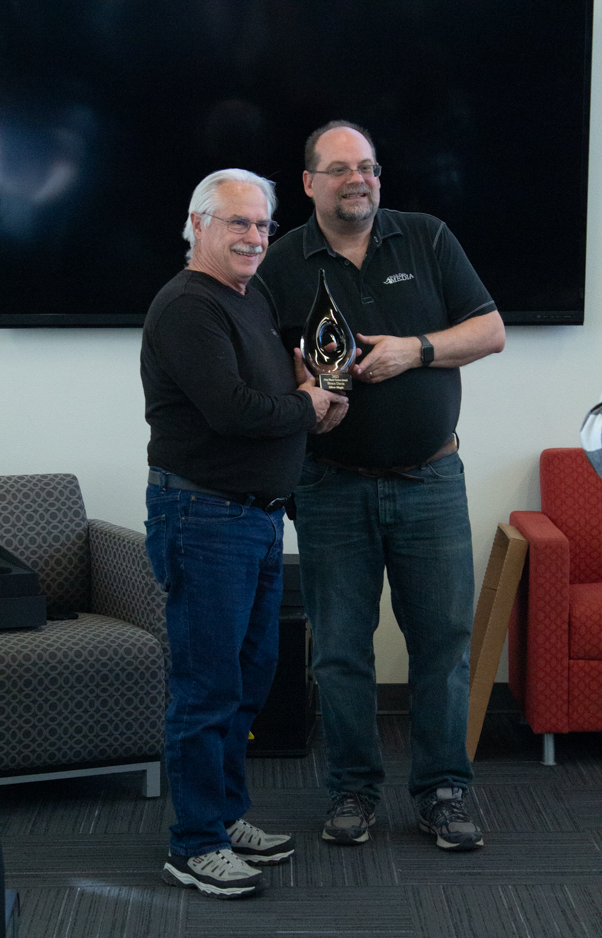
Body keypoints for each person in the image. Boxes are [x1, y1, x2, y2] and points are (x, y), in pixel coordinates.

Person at [254, 122, 506, 851]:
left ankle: (443, 791)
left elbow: (488, 331)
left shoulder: (426, 237)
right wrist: (301, 384)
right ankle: (352, 792)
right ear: (309, 183)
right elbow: (264, 363)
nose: (357, 179)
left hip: (432, 480)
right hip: (331, 486)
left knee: (442, 647)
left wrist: (414, 351)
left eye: (366, 167)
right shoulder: (280, 262)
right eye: (339, 169)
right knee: (339, 651)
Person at [141, 168, 348, 898]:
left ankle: (225, 816)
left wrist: (307, 392)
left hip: (253, 519)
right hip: (204, 520)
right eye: (238, 222)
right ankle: (194, 844)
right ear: (198, 224)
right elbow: (232, 410)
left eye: (263, 224)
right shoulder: (187, 306)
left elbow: (270, 392)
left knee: (248, 679)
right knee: (207, 687)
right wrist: (306, 405)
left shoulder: (249, 296)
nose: (255, 236)